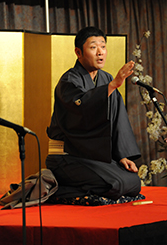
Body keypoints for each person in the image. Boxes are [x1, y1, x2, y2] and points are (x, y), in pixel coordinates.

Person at [46, 27, 141, 201]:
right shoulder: (68, 81)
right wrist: (112, 86)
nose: (100, 53)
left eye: (103, 47)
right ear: (78, 52)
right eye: (93, 47)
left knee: (134, 182)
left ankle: (70, 187)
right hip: (66, 156)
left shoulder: (105, 79)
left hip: (92, 156)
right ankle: (55, 192)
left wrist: (121, 156)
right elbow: (82, 107)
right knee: (114, 184)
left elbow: (115, 117)